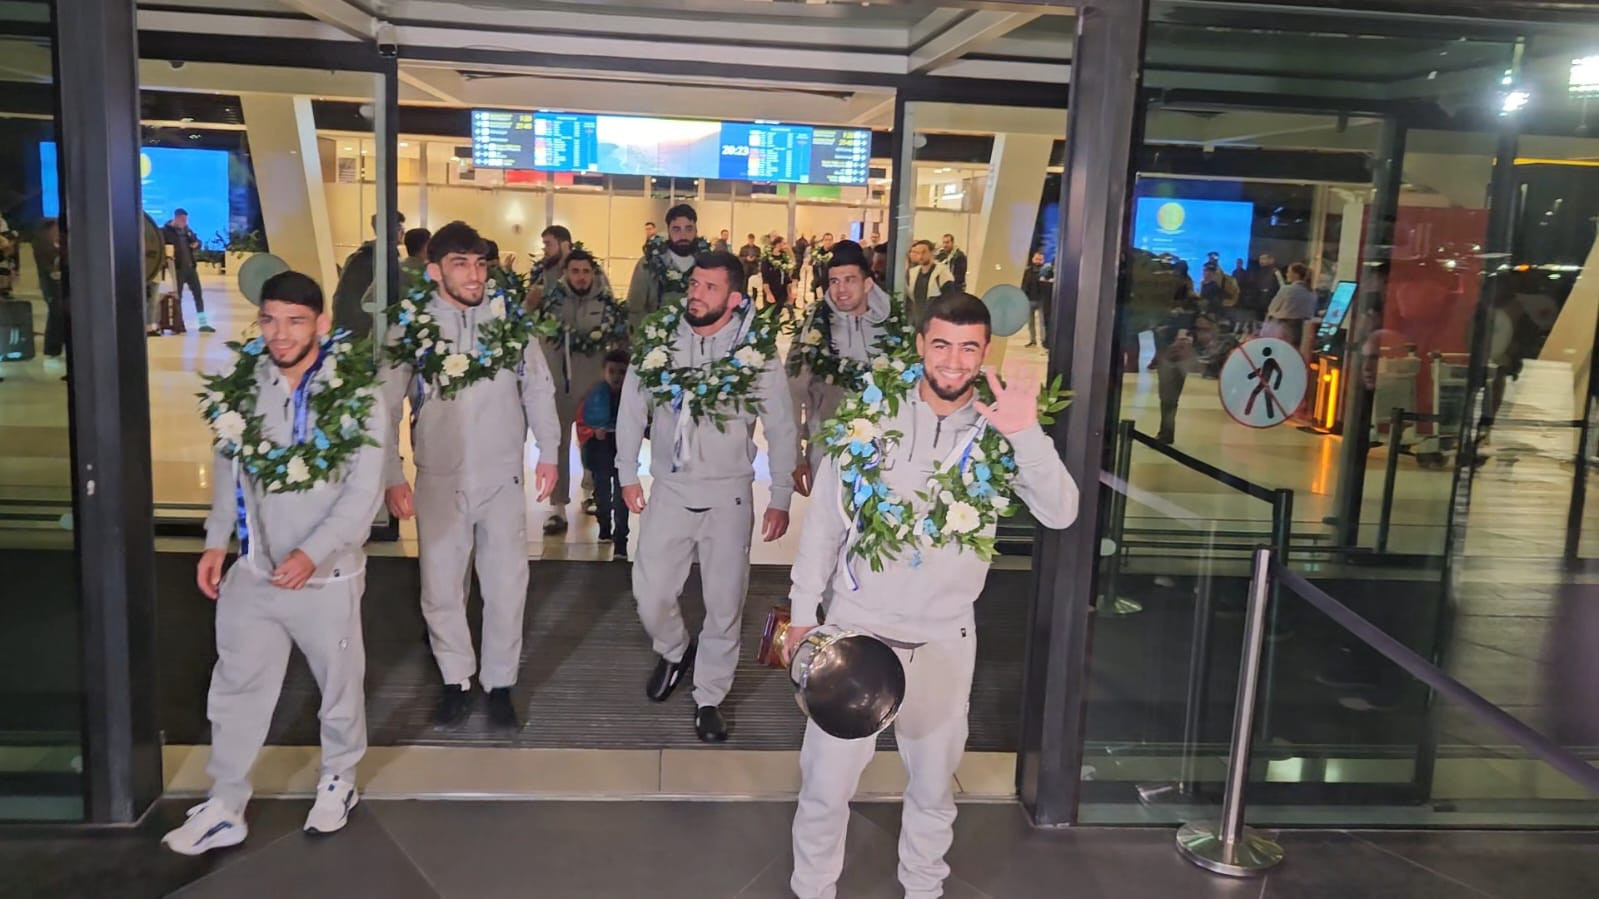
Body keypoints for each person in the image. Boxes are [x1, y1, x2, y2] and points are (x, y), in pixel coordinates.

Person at [783, 290, 1079, 899]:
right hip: (855, 634)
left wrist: (1028, 436)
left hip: (945, 638)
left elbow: (1062, 512)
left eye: (969, 348)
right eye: (941, 344)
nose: (953, 360)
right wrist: (800, 616)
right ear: (921, 345)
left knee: (933, 789)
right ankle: (812, 890)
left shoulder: (1002, 432)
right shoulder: (869, 418)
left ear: (984, 352)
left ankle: (924, 888)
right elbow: (824, 530)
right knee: (824, 786)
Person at [163, 270, 386, 855]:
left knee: (338, 687)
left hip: (327, 578)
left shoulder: (359, 394)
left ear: (322, 324)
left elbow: (362, 495)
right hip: (255, 572)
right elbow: (229, 467)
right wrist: (217, 541)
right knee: (235, 687)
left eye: (294, 321)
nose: (280, 334)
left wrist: (314, 554)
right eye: (269, 320)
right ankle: (226, 803)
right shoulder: (244, 384)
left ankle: (340, 779)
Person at [379, 221, 562, 731]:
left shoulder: (509, 321)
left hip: (503, 476)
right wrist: (392, 473)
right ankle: (456, 679)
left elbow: (539, 389)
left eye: (480, 263)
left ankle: (499, 683)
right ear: (435, 270)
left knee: (506, 584)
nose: (475, 274)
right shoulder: (411, 327)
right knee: (441, 585)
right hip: (439, 476)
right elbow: (385, 405)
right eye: (461, 263)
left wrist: (549, 452)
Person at [617, 250, 798, 743]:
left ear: (734, 298)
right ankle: (674, 649)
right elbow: (633, 407)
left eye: (709, 287)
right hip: (671, 490)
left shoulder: (756, 352)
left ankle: (710, 696)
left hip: (728, 496)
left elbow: (782, 425)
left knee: (724, 603)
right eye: (693, 284)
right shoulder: (660, 339)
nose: (695, 293)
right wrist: (626, 471)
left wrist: (781, 493)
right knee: (649, 592)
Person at [787, 239, 901, 492]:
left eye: (850, 279)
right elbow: (792, 394)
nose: (841, 290)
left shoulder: (895, 324)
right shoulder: (814, 327)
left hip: (886, 449)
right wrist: (794, 456)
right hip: (828, 447)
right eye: (834, 281)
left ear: (867, 282)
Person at [534, 248, 627, 536]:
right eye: (575, 271)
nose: (581, 277)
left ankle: (590, 493)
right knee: (557, 443)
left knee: (594, 443)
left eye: (586, 271)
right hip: (559, 386)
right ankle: (557, 507)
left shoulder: (607, 304)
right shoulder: (552, 303)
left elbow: (620, 342)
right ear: (565, 274)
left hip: (594, 388)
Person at [577, 348, 631, 559]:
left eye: (622, 372)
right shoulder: (593, 396)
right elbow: (582, 422)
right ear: (603, 372)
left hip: (623, 451)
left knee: (621, 496)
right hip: (600, 450)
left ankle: (621, 540)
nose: (617, 377)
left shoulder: (631, 396)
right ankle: (604, 528)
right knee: (602, 495)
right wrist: (593, 431)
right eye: (612, 371)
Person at [626, 204, 707, 331]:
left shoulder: (707, 265)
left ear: (696, 231)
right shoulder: (648, 264)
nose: (683, 235)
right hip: (656, 342)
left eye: (688, 229)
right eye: (676, 229)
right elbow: (635, 310)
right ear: (668, 231)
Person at [332, 212, 405, 339]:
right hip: (362, 331)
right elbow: (360, 298)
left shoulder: (366, 254)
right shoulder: (374, 257)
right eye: (399, 227)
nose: (403, 231)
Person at [163, 208, 214, 333]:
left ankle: (203, 324)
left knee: (198, 296)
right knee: (178, 297)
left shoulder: (187, 231)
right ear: (176, 218)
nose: (184, 222)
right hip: (178, 269)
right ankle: (179, 324)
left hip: (190, 268)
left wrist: (197, 244)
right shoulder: (165, 231)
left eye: (186, 220)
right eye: (182, 219)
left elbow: (198, 242)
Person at [1265, 262, 1317, 351]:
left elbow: (1272, 309)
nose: (1287, 274)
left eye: (1289, 272)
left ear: (1296, 275)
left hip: (1284, 331)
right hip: (1304, 332)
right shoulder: (1312, 293)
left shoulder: (1287, 290)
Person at [906, 239, 953, 328]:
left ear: (932, 252)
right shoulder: (913, 273)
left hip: (936, 321)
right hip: (917, 321)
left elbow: (950, 297)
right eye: (917, 253)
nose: (920, 256)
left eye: (924, 252)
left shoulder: (942, 272)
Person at [1020, 251, 1054, 347]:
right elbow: (1024, 285)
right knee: (1030, 323)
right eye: (1037, 259)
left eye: (1040, 259)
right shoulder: (1027, 271)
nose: (1038, 261)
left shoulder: (1046, 271)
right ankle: (1032, 340)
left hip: (1041, 300)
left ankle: (1044, 341)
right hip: (1029, 300)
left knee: (1042, 322)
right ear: (1033, 259)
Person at [762, 235, 796, 319]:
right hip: (771, 289)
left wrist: (790, 294)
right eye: (783, 243)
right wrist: (768, 293)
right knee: (769, 315)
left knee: (777, 314)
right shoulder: (767, 259)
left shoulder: (784, 257)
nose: (784, 245)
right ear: (777, 244)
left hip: (782, 290)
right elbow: (765, 279)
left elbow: (789, 275)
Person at [809, 232, 835, 302]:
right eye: (826, 240)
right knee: (818, 303)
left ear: (832, 241)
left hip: (830, 283)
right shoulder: (817, 253)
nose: (828, 242)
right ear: (823, 241)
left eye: (830, 240)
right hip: (819, 282)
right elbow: (813, 265)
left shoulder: (835, 253)